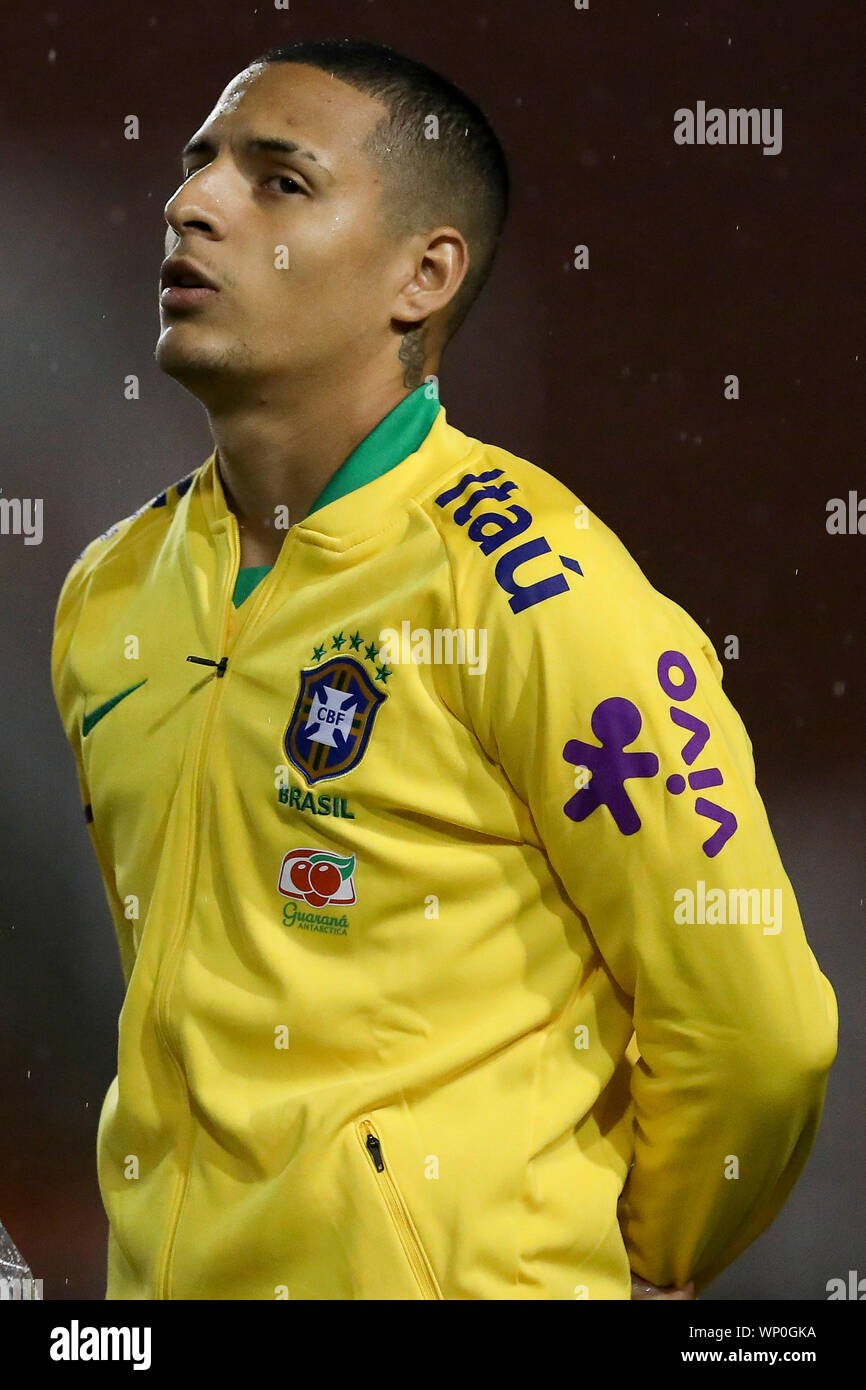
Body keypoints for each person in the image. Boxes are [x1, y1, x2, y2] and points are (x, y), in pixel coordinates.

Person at [51, 37, 837, 1301]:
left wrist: (639, 1258)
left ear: (421, 275)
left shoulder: (540, 587)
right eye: (198, 166)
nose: (190, 202)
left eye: (279, 180)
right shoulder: (109, 595)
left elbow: (758, 1028)